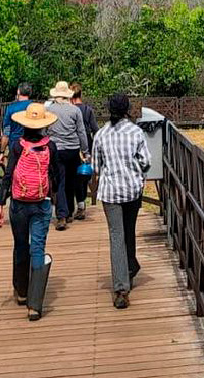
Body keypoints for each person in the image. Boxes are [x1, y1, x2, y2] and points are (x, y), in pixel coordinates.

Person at [0, 102, 58, 321]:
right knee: (38, 248)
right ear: (43, 124)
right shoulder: (50, 147)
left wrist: (0, 204)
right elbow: (56, 176)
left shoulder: (17, 146)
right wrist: (55, 200)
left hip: (19, 203)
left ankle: (21, 291)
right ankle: (35, 304)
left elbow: (8, 174)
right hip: (42, 202)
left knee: (21, 245)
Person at [93, 93, 150, 309]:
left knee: (116, 236)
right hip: (132, 190)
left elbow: (96, 167)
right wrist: (137, 174)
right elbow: (146, 161)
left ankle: (121, 288)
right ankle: (129, 269)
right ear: (127, 109)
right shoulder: (136, 132)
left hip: (110, 192)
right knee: (129, 230)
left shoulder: (101, 134)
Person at [44, 81, 88, 231]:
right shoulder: (75, 110)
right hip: (73, 149)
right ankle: (69, 211)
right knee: (71, 180)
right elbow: (81, 131)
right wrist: (85, 150)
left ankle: (62, 215)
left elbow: (44, 130)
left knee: (60, 182)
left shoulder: (50, 110)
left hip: (56, 149)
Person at [70, 82, 99, 220]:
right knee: (83, 176)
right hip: (87, 144)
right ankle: (81, 205)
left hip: (72, 145)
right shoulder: (88, 110)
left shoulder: (70, 110)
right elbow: (95, 129)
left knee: (73, 176)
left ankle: (75, 205)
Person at [0, 83, 33, 162]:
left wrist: (2, 151)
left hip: (15, 144)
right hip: (31, 145)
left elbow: (6, 132)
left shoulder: (11, 108)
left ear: (18, 92)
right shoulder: (34, 107)